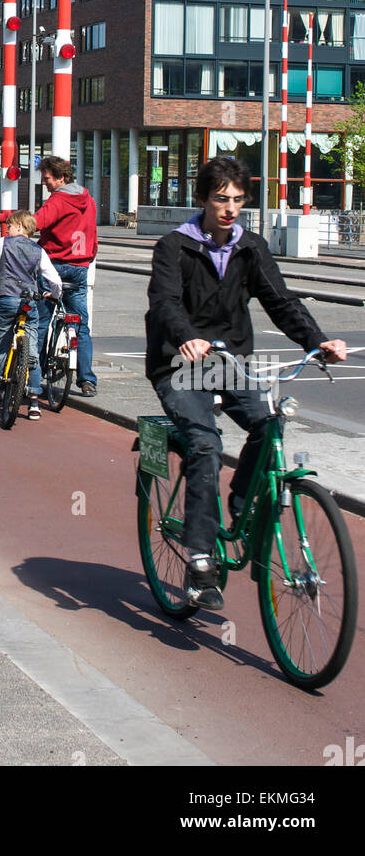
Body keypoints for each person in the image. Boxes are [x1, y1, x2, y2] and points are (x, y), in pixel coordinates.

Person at [146, 155, 346, 610]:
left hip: (229, 359)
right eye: (221, 199)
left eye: (237, 200)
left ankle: (240, 500)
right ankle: (199, 559)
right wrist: (187, 337)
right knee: (205, 446)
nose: (229, 208)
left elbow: (281, 301)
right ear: (203, 199)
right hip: (179, 362)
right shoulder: (174, 247)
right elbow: (165, 302)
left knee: (268, 423)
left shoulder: (250, 247)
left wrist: (318, 342)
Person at [19, 157, 98, 397]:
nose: (45, 183)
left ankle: (35, 376)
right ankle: (86, 380)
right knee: (80, 325)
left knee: (40, 321)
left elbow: (36, 223)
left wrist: (6, 220)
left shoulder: (59, 199)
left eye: (47, 179)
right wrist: (86, 258)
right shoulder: (89, 200)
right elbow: (93, 234)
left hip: (54, 265)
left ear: (61, 178)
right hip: (80, 267)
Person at [0, 210, 62, 421]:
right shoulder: (38, 250)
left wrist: (1, 270)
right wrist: (54, 295)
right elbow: (54, 280)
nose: (7, 228)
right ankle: (34, 402)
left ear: (19, 226)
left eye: (10, 225)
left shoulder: (4, 243)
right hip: (29, 301)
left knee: (0, 349)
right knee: (33, 350)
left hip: (7, 298)